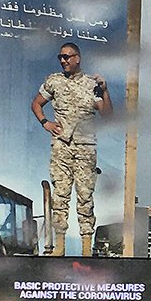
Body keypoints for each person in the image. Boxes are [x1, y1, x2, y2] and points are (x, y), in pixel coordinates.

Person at [31, 42, 111, 256]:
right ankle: (60, 246)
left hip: (85, 148)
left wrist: (104, 91)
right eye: (61, 57)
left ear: (78, 58)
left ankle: (86, 247)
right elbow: (36, 103)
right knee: (61, 195)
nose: (64, 61)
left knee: (85, 196)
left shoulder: (90, 84)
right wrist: (45, 123)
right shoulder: (54, 81)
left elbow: (108, 115)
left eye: (67, 56)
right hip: (62, 146)